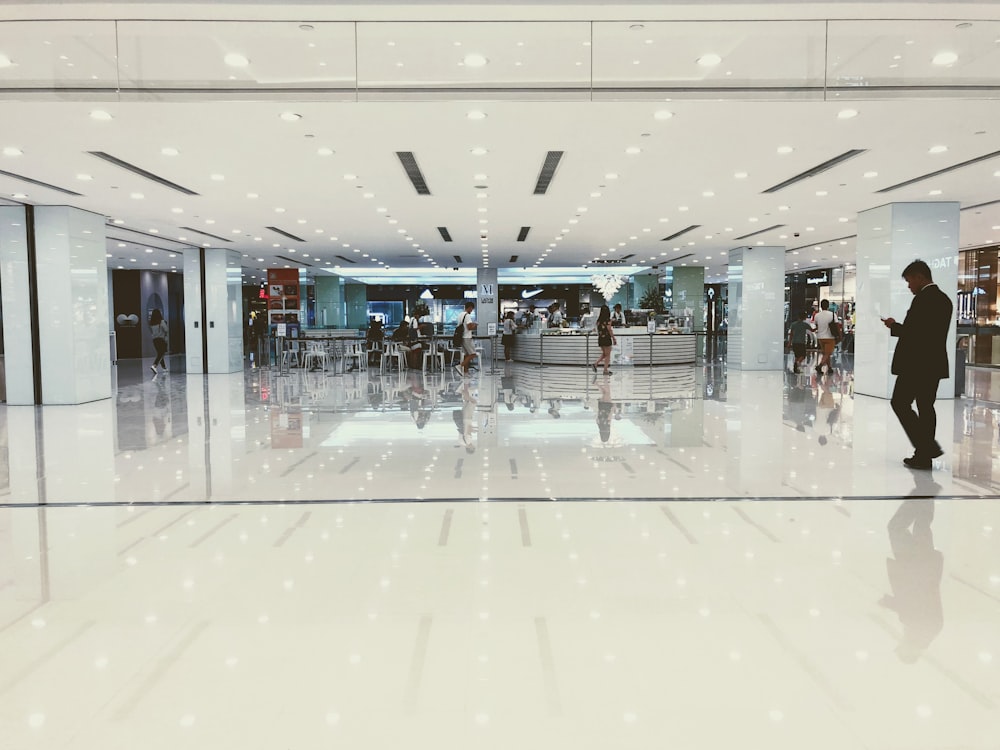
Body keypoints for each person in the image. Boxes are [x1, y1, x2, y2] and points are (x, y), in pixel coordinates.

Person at [882, 259, 953, 470]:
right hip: (933, 363)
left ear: (920, 277)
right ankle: (923, 455)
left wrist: (894, 326)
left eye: (909, 280)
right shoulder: (943, 299)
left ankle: (927, 448)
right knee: (925, 407)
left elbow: (916, 334)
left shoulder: (925, 299)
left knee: (900, 403)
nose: (909, 285)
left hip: (916, 364)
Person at [591, 304, 616, 375]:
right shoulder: (608, 320)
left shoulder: (598, 321)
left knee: (604, 354)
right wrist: (614, 338)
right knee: (607, 355)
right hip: (607, 338)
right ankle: (605, 370)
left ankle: (595, 364)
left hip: (601, 339)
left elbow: (597, 330)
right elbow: (609, 330)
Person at [813, 299, 837, 374]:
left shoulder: (817, 315)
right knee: (827, 353)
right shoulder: (832, 314)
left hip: (820, 337)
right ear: (828, 306)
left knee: (826, 353)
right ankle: (819, 366)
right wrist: (839, 335)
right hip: (830, 337)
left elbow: (816, 325)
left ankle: (829, 368)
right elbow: (836, 325)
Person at [455, 301, 477, 377]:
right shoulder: (467, 316)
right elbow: (469, 327)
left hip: (461, 337)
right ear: (470, 307)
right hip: (467, 337)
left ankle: (466, 371)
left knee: (466, 354)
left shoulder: (460, 315)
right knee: (473, 354)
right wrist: (474, 325)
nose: (472, 311)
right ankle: (460, 366)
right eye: (472, 309)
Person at [787, 309, 811, 374]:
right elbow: (812, 330)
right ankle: (797, 363)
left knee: (797, 356)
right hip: (801, 342)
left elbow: (791, 334)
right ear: (804, 317)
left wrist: (789, 342)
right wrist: (818, 327)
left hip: (794, 342)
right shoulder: (805, 324)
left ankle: (796, 368)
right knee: (803, 355)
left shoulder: (793, 324)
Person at [149, 308, 168, 375]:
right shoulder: (161, 322)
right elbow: (166, 330)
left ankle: (164, 368)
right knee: (161, 353)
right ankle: (154, 365)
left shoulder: (151, 323)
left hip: (155, 340)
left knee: (160, 353)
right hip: (161, 339)